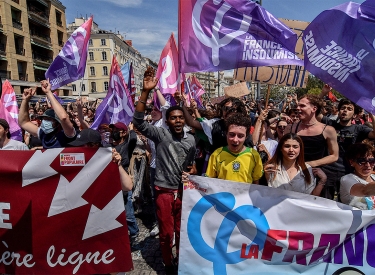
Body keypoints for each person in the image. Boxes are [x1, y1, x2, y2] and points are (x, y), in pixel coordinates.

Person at [133, 67, 196, 274]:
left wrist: (192, 171)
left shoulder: (191, 140)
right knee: (167, 234)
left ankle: (182, 264)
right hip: (163, 191)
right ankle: (168, 265)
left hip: (183, 193)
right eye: (173, 118)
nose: (178, 121)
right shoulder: (160, 135)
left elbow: (191, 164)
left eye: (180, 117)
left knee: (182, 232)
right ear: (167, 122)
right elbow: (139, 123)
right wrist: (145, 92)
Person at [205, 113, 263, 184]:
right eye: (232, 135)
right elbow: (209, 181)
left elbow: (256, 183)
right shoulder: (217, 154)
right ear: (226, 133)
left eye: (240, 136)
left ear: (246, 136)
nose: (235, 140)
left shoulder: (254, 155)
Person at [68, 128, 133, 191]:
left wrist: (118, 165)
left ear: (93, 145)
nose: (77, 149)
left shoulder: (106, 162)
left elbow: (127, 186)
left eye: (80, 146)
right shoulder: (74, 164)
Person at [18, 81, 76, 148]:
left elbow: (63, 117)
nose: (45, 121)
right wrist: (25, 100)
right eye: (44, 119)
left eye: (49, 119)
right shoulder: (43, 133)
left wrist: (48, 92)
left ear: (57, 123)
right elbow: (23, 122)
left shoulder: (67, 134)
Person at [340, 143, 375, 209]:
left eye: (371, 161)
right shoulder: (347, 179)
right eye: (361, 161)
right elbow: (364, 190)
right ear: (352, 162)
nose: (367, 165)